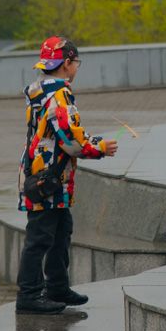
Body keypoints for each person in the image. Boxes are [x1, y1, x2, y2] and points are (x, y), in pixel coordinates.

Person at [14, 36, 118, 314]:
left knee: (61, 231)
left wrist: (89, 141)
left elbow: (57, 133)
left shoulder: (39, 91)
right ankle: (29, 296)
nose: (76, 68)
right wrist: (99, 148)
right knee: (40, 237)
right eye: (75, 63)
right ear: (66, 63)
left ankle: (57, 287)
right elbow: (70, 140)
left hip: (45, 172)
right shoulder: (59, 95)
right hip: (48, 176)